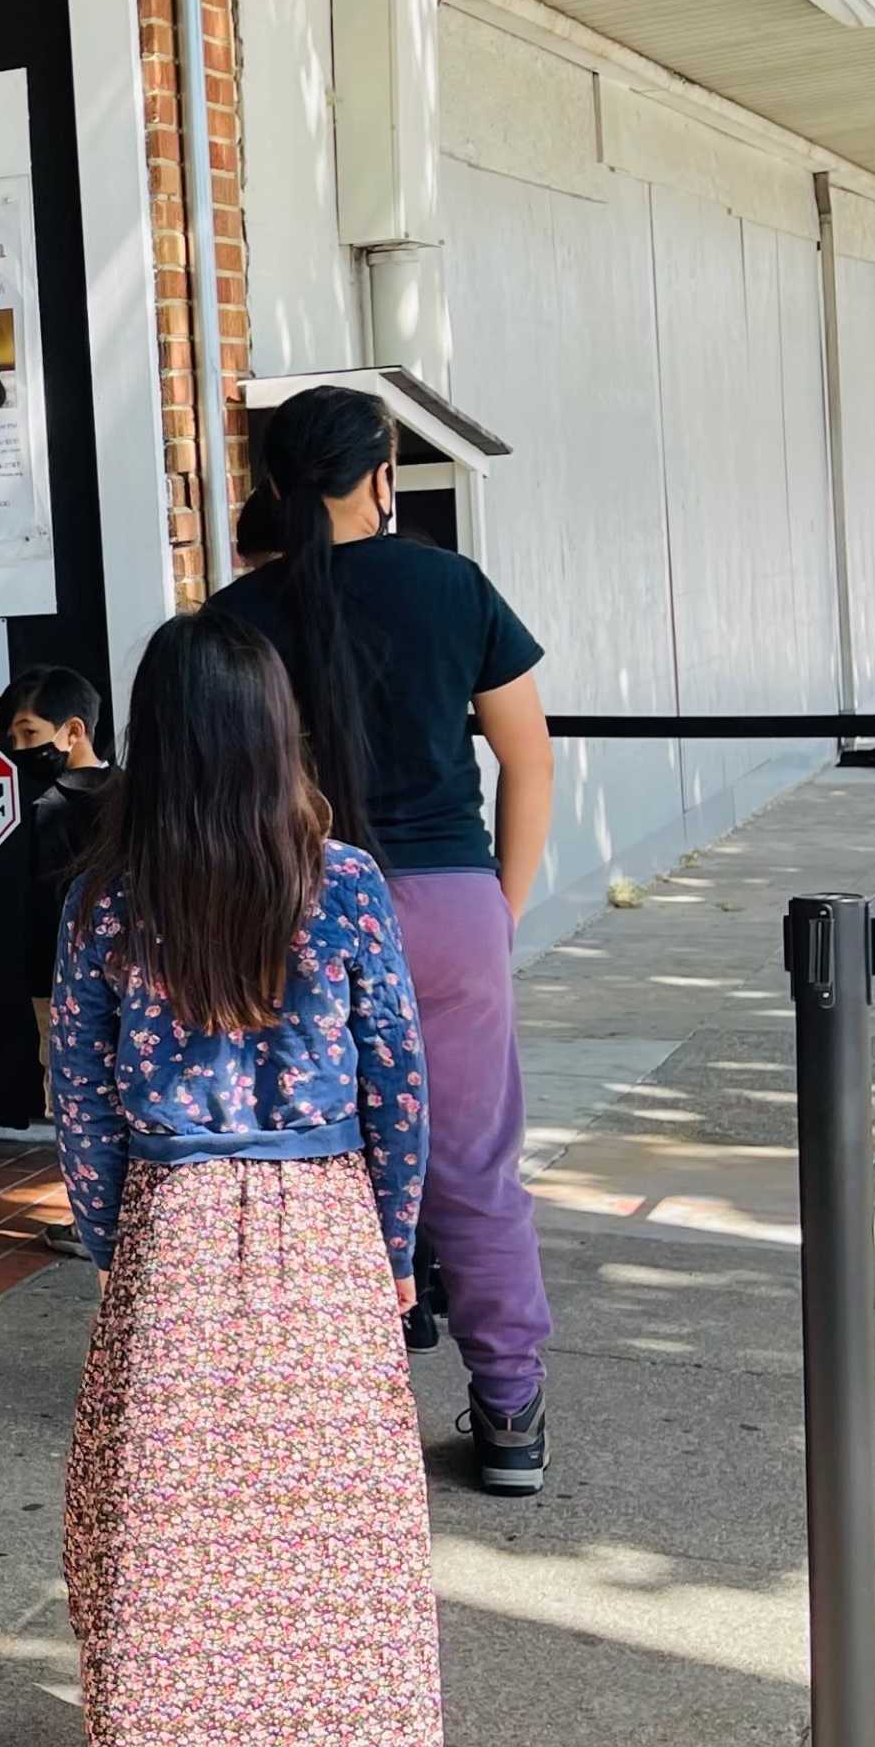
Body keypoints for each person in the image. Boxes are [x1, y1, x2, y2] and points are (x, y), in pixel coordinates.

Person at [52, 609, 438, 1747]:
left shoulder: (106, 901)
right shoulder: (351, 888)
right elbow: (400, 1081)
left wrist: (114, 1237)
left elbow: (79, 1091)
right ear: (282, 738)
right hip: (324, 1208)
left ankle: (220, 1741)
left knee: (190, 1495)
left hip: (176, 1213)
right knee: (340, 1495)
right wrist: (396, 1242)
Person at [216, 387, 556, 1497]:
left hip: (295, 909)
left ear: (272, 486)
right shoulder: (452, 586)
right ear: (380, 478)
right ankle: (510, 1416)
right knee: (471, 1164)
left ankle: (328, 1423)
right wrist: (497, 907)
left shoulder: (236, 618)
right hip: (448, 903)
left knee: (309, 1166)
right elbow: (530, 759)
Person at [0, 664, 113, 1226]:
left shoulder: (50, 808)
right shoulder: (131, 793)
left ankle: (88, 1215)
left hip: (61, 977)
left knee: (73, 1094)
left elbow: (47, 907)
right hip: (122, 974)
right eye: (12, 738)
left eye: (29, 734)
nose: (19, 748)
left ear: (73, 731)